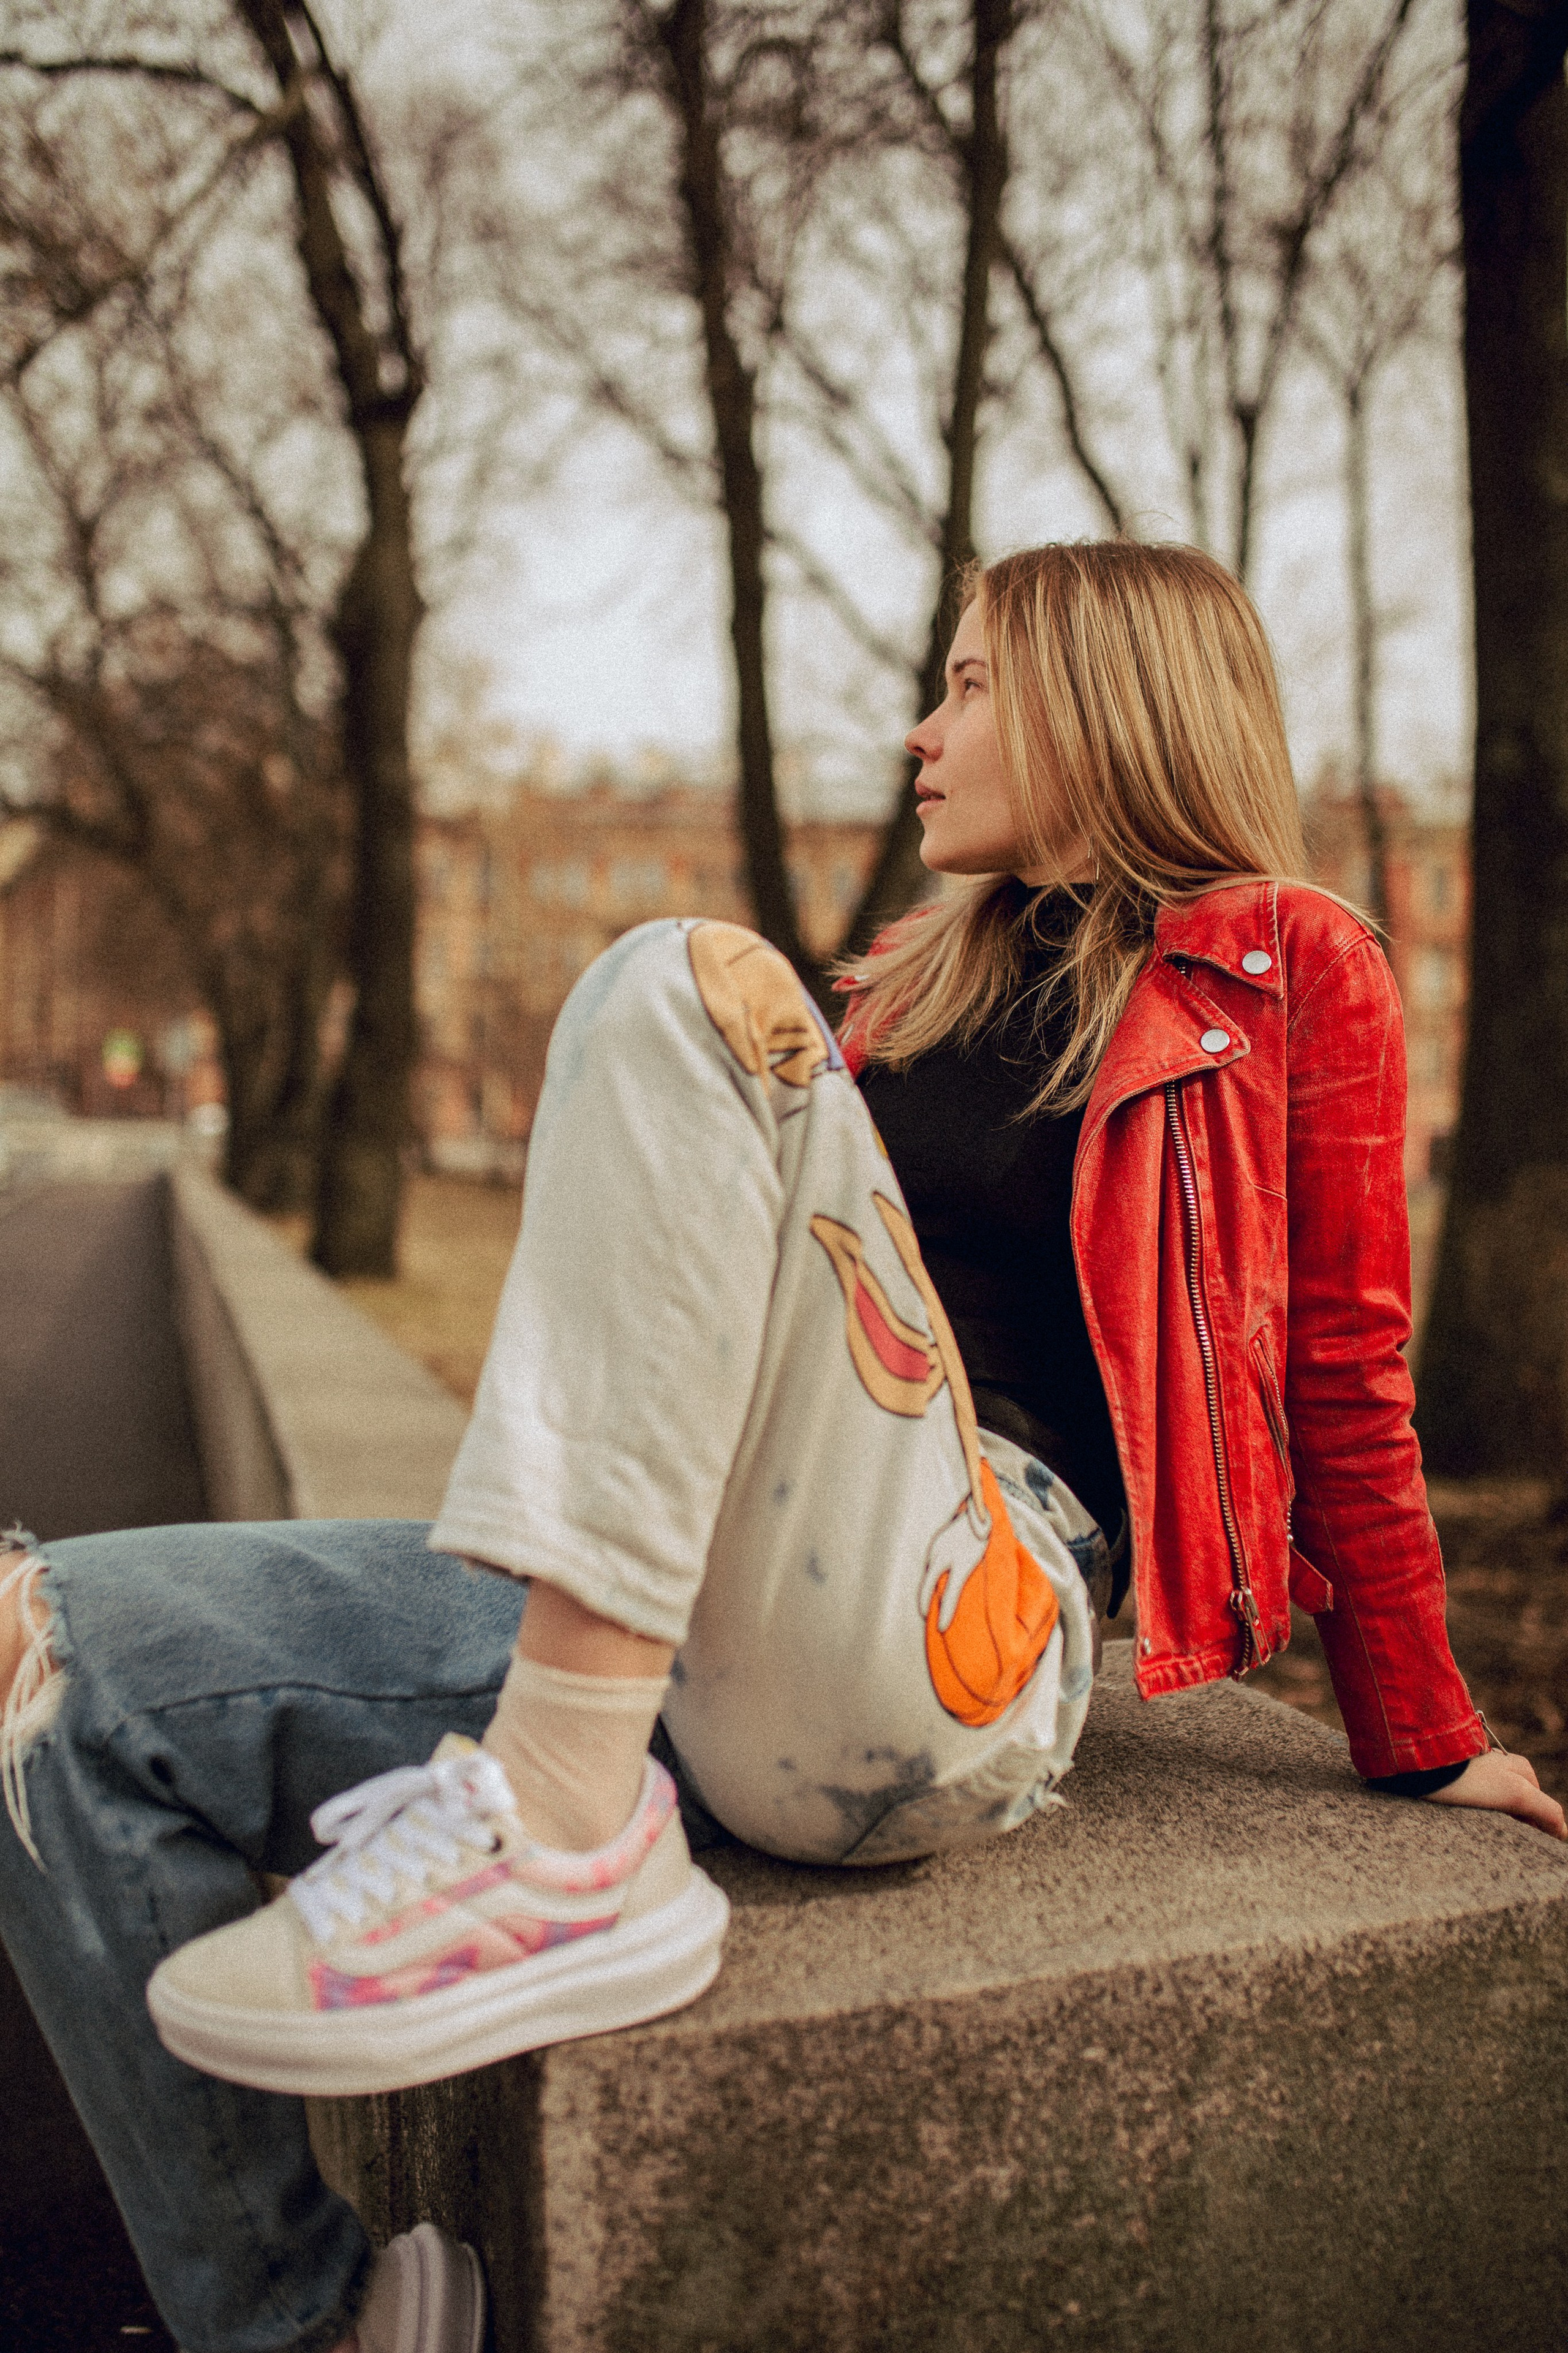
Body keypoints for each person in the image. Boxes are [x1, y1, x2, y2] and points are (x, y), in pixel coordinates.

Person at [1, 539, 1560, 2353]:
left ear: (1103, 699)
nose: (922, 729)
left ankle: (565, 1829)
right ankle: (307, 2320)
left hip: (960, 1600)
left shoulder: (1295, 969)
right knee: (43, 1660)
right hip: (681, 1590)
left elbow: (1355, 1384)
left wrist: (1428, 1740)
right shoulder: (897, 994)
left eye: (971, 684)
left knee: (681, 977)